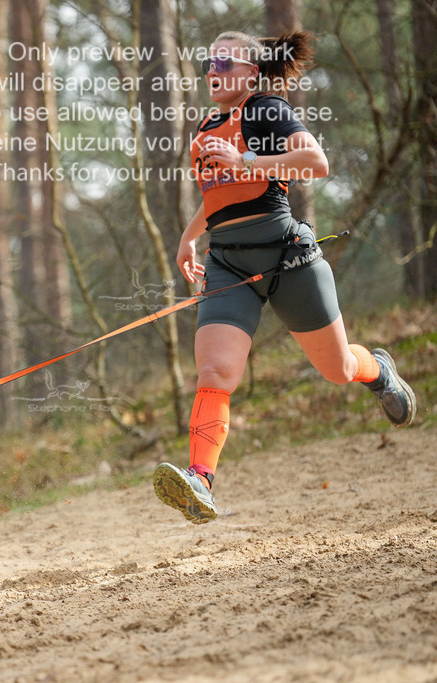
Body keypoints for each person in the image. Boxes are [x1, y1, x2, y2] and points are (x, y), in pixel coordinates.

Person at [152, 30, 416, 524]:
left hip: (286, 258)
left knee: (337, 370)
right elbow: (221, 198)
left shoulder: (265, 110)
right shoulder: (207, 124)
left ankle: (379, 371)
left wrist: (249, 158)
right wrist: (189, 238)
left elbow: (316, 162)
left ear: (251, 73)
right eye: (210, 62)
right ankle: (200, 481)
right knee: (215, 373)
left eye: (225, 63)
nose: (214, 70)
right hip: (227, 264)